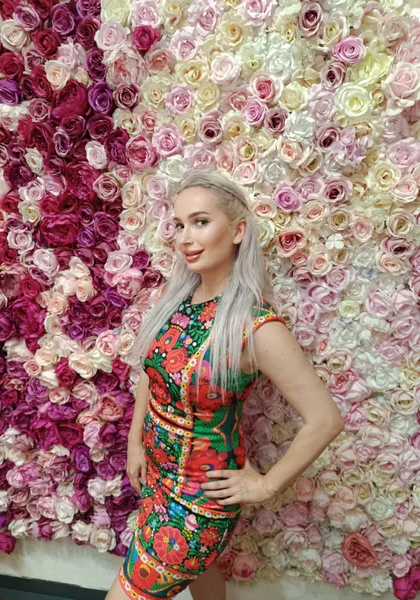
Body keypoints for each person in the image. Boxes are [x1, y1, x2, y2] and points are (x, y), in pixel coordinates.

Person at [105, 172, 344, 600]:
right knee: (205, 578)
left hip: (199, 502)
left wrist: (266, 485)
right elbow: (151, 373)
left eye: (200, 222)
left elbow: (325, 419)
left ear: (237, 231)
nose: (185, 238)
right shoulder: (178, 303)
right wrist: (135, 441)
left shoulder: (256, 326)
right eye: (179, 225)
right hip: (158, 478)